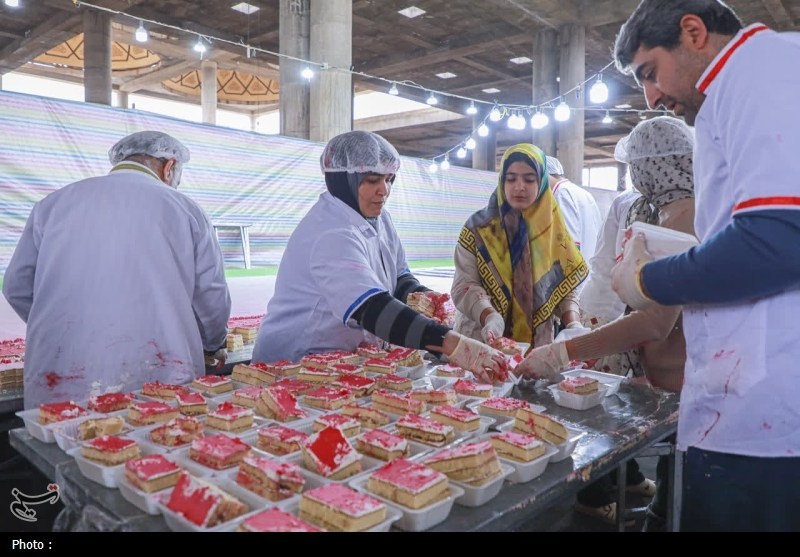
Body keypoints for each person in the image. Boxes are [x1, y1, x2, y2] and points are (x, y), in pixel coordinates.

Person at [612, 0, 800, 531]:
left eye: (650, 72)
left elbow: (778, 239)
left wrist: (650, 279)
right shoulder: (742, 87)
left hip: (772, 423)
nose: (649, 96)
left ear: (692, 33)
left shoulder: (760, 74)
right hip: (754, 402)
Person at [516, 117, 696, 528]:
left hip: (687, 375)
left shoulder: (686, 216)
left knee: (677, 482)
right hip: (661, 371)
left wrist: (568, 346)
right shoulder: (654, 210)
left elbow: (655, 321)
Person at [3, 131, 231, 410]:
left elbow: (16, 285)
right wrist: (213, 343)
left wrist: (61, 328)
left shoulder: (53, 203)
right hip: (157, 368)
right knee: (153, 441)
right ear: (169, 167)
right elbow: (211, 296)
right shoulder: (184, 209)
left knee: (61, 442)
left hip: (62, 371)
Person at [252, 130, 505, 380]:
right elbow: (372, 308)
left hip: (340, 359)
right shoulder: (330, 232)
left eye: (389, 179)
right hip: (294, 362)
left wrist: (419, 296)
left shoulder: (380, 219)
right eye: (372, 179)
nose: (384, 190)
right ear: (344, 180)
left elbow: (397, 277)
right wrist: (449, 342)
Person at [451, 143, 587, 350]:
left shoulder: (554, 232)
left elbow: (565, 286)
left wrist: (573, 323)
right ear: (502, 181)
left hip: (537, 347)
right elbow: (464, 284)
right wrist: (490, 315)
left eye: (529, 179)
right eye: (511, 178)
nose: (519, 186)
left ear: (541, 182)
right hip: (482, 340)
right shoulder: (478, 230)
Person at [546, 156, 603, 275]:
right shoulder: (583, 193)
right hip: (588, 275)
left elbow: (568, 246)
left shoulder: (561, 194)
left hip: (573, 283)